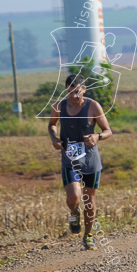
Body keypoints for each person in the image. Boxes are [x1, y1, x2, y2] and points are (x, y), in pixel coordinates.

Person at [48, 73, 112, 250]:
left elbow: (108, 130)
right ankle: (74, 213)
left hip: (90, 159)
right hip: (70, 159)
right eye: (70, 92)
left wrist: (97, 136)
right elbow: (52, 124)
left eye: (77, 92)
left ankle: (88, 235)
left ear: (84, 89)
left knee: (90, 201)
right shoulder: (59, 106)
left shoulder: (93, 106)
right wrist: (54, 138)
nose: (74, 96)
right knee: (74, 197)